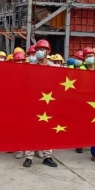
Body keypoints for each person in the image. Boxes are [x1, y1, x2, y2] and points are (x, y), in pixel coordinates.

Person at [23, 39, 58, 168]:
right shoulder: (31, 68)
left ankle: (47, 156)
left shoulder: (55, 68)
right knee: (31, 129)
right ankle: (29, 156)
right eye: (37, 50)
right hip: (34, 103)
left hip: (49, 103)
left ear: (48, 51)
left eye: (42, 49)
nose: (39, 52)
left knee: (47, 130)